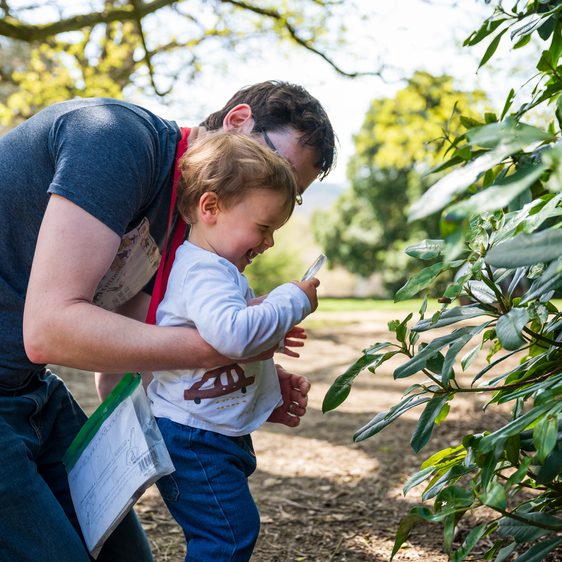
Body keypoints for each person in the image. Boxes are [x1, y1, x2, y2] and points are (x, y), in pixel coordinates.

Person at [0, 80, 335, 561]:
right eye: (275, 169)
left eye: (287, 191)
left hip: (29, 391)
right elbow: (49, 330)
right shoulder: (115, 140)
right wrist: (225, 346)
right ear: (238, 121)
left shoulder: (186, 226)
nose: (270, 196)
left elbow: (127, 352)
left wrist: (244, 378)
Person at [149, 131, 320, 561]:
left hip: (207, 431)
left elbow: (227, 348)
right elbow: (233, 335)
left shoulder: (218, 270)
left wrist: (268, 393)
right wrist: (291, 298)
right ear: (210, 207)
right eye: (263, 228)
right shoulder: (204, 272)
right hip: (191, 437)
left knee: (230, 527)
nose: (269, 243)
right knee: (227, 534)